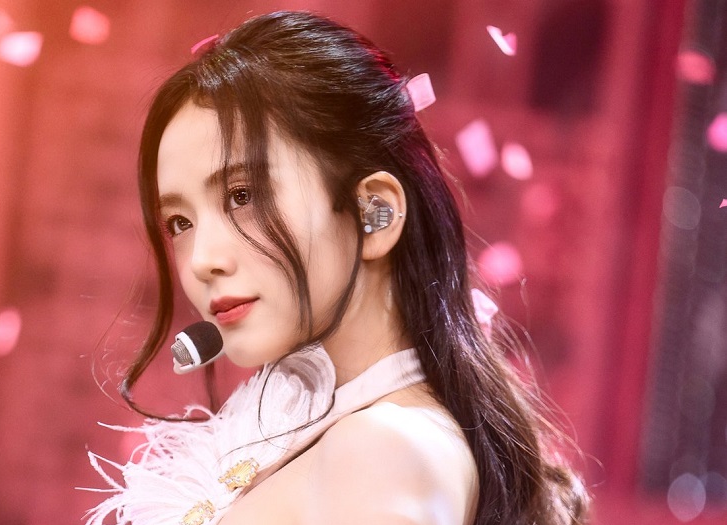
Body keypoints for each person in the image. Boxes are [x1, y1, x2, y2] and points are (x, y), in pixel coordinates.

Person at [86, 10, 588, 525]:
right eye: (180, 223)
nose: (202, 261)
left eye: (242, 196)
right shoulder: (362, 443)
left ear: (375, 212)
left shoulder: (385, 452)